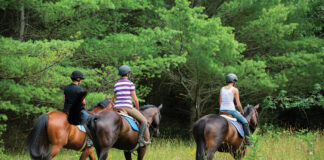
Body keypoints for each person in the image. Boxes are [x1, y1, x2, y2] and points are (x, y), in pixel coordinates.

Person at [113, 65, 151, 147]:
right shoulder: (130, 84)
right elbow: (135, 100)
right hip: (127, 107)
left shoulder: (116, 85)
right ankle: (141, 140)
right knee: (144, 120)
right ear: (127, 74)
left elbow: (115, 98)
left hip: (116, 108)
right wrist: (137, 109)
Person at [219, 73, 251, 145]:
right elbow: (238, 104)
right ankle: (248, 141)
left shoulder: (222, 89)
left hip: (221, 111)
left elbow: (220, 102)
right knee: (245, 122)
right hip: (231, 111)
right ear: (233, 81)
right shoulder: (235, 89)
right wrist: (242, 112)